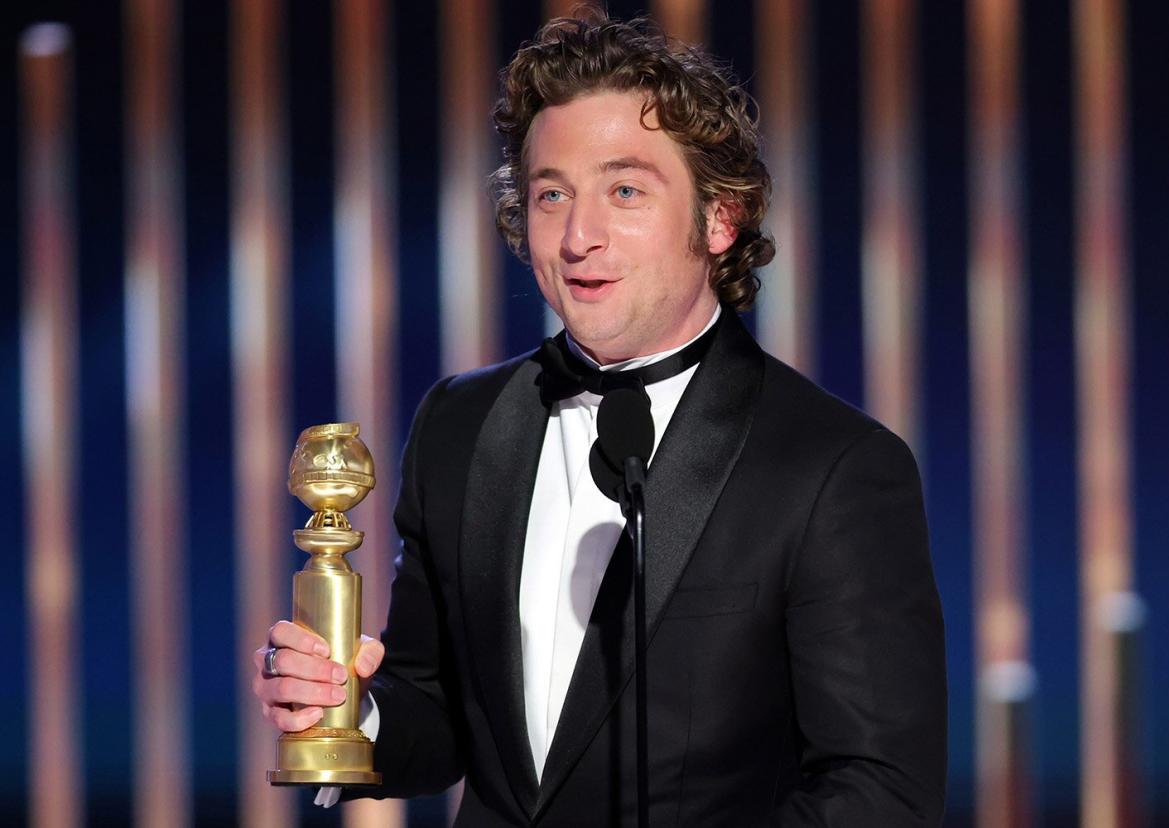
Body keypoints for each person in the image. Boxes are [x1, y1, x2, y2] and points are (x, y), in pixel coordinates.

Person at [253, 13, 946, 826]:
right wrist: (346, 713)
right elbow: (436, 718)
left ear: (720, 219)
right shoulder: (460, 423)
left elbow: (880, 793)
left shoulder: (834, 466)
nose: (580, 236)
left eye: (625, 191)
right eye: (552, 195)